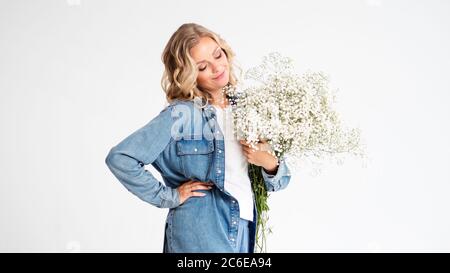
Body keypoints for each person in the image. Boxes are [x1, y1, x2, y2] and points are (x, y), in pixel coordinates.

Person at [105, 23, 291, 253]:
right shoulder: (181, 115)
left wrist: (268, 162)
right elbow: (120, 157)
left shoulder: (250, 108)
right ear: (189, 75)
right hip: (200, 231)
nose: (217, 68)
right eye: (203, 67)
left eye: (217, 55)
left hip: (244, 225)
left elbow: (281, 181)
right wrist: (169, 197)